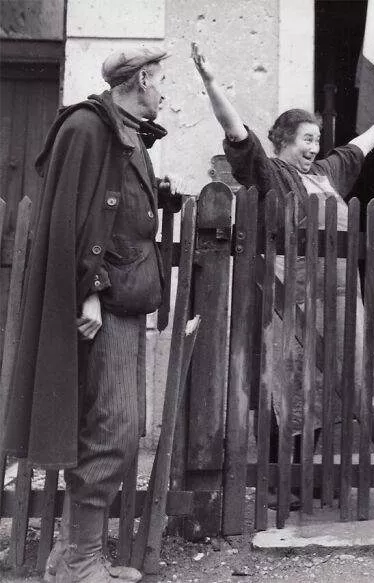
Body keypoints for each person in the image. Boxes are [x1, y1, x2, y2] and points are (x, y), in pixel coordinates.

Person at [2, 47, 186, 582]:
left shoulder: (125, 131)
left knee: (116, 428)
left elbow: (116, 207)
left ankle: (71, 555)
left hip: (125, 299)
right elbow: (75, 218)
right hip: (103, 304)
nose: (164, 92)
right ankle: (80, 560)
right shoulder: (88, 126)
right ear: (143, 78)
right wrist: (88, 292)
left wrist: (160, 198)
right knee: (114, 429)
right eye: (161, 82)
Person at [191, 44, 374, 483]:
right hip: (297, 298)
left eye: (316, 139)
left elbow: (355, 150)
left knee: (348, 377)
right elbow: (237, 135)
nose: (315, 146)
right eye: (307, 139)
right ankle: (285, 482)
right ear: (285, 141)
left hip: (345, 296)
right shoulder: (272, 174)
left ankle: (332, 476)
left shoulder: (327, 173)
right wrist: (212, 83)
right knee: (294, 379)